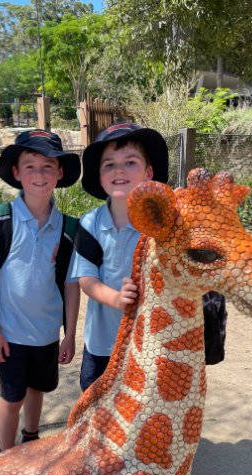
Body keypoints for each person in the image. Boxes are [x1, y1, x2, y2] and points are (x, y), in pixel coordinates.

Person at [0, 130, 82, 452]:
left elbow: (71, 285)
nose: (39, 173)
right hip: (9, 333)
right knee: (12, 398)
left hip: (47, 333)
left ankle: (31, 441)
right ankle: (4, 458)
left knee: (38, 390)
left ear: (60, 174)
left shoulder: (69, 228)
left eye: (48, 166)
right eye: (30, 165)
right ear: (16, 172)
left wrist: (71, 334)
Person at [72, 122, 170, 392]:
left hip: (148, 343)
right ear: (100, 177)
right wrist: (115, 297)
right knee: (95, 409)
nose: (119, 170)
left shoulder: (161, 225)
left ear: (148, 173)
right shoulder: (89, 223)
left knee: (141, 413)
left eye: (130, 162)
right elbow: (86, 279)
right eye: (109, 164)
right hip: (101, 342)